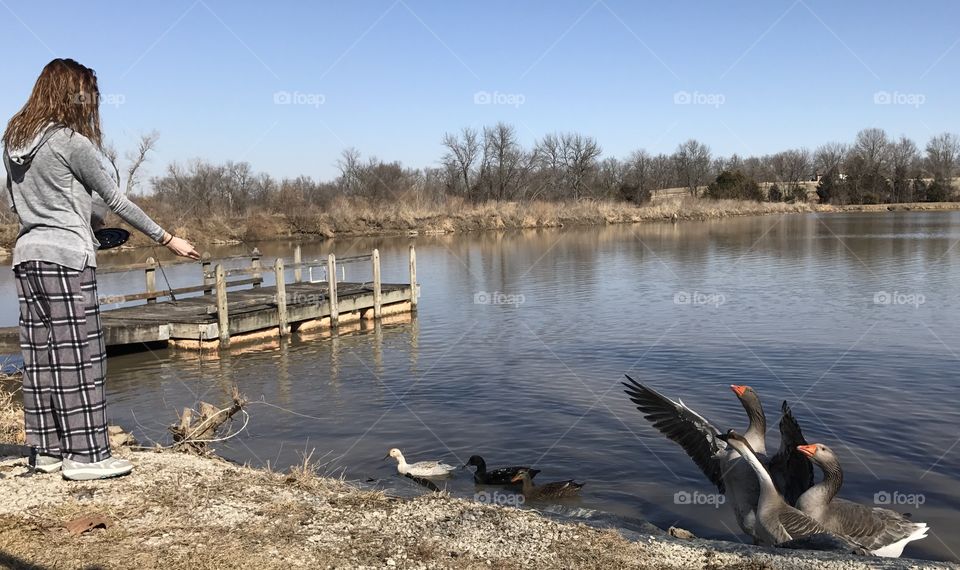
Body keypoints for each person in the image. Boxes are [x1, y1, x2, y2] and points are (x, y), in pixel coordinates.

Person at [2, 58, 200, 480]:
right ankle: (88, 456)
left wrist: (77, 216)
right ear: (76, 94)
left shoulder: (13, 141)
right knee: (82, 355)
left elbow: (16, 202)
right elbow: (118, 201)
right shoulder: (71, 142)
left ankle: (48, 451)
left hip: (27, 256)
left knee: (41, 357)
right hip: (68, 260)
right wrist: (168, 239)